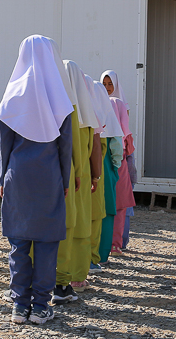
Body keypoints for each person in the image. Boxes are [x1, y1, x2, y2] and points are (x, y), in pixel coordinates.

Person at [0, 35, 73, 325]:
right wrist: (64, 180)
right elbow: (65, 147)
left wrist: (3, 176)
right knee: (46, 243)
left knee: (18, 243)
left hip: (17, 175)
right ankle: (41, 305)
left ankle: (19, 304)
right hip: (49, 175)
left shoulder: (12, 95)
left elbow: (4, 144)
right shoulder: (59, 97)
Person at [52, 60, 100, 305]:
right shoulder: (85, 110)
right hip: (79, 177)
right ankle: (78, 278)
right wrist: (92, 176)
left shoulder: (58, 109)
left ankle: (57, 277)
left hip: (63, 176)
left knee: (61, 225)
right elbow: (93, 149)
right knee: (80, 226)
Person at [90, 77, 123, 269]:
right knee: (107, 210)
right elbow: (117, 147)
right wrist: (115, 167)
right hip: (107, 167)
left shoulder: (86, 114)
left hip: (88, 168)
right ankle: (102, 254)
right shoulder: (109, 115)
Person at [102, 70, 136, 254]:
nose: (107, 88)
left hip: (106, 158)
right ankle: (117, 243)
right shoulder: (119, 105)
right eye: (104, 84)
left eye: (110, 84)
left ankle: (111, 242)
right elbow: (126, 137)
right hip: (119, 158)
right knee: (121, 203)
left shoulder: (116, 104)